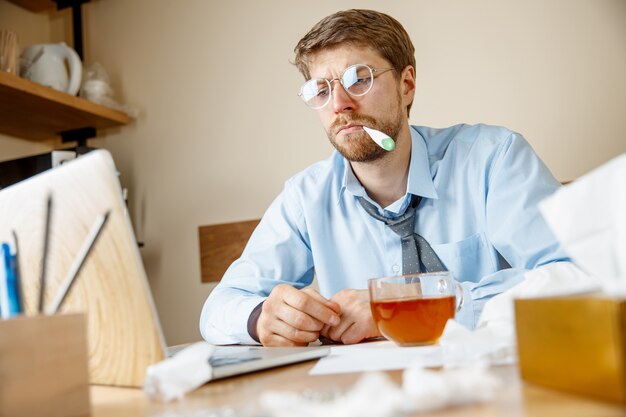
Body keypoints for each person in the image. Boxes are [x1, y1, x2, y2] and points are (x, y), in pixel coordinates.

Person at [199, 9, 569, 347]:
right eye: (321, 90)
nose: (339, 104)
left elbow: (575, 276)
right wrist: (259, 318)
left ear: (406, 85)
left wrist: (412, 306)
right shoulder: (305, 197)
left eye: (359, 79)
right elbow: (220, 307)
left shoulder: (493, 158)